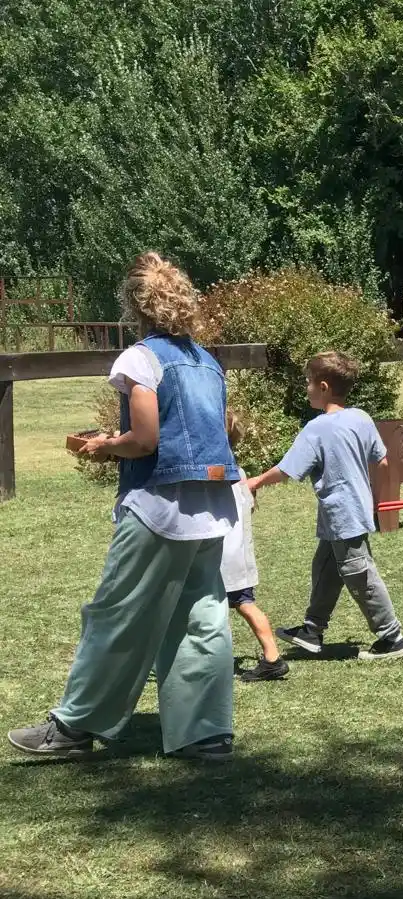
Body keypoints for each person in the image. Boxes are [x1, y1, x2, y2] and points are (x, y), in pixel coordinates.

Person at [8, 251, 239, 761]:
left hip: (158, 506)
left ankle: (73, 728)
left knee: (116, 613)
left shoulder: (140, 358)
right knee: (202, 616)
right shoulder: (206, 360)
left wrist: (106, 444)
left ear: (136, 305)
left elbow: (146, 440)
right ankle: (205, 733)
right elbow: (218, 432)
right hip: (211, 506)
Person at [246, 350, 403, 661]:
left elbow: (286, 470)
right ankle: (312, 630)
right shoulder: (361, 418)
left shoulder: (317, 428)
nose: (305, 387)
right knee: (327, 566)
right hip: (351, 510)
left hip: (342, 514)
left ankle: (392, 636)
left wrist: (254, 482)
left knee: (358, 572)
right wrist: (372, 496)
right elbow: (383, 461)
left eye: (308, 382)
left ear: (323, 387)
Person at [223, 412, 288, 682]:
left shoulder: (218, 474)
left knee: (236, 606)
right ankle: (272, 657)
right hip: (238, 556)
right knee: (246, 604)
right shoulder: (238, 472)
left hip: (224, 557)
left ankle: (271, 658)